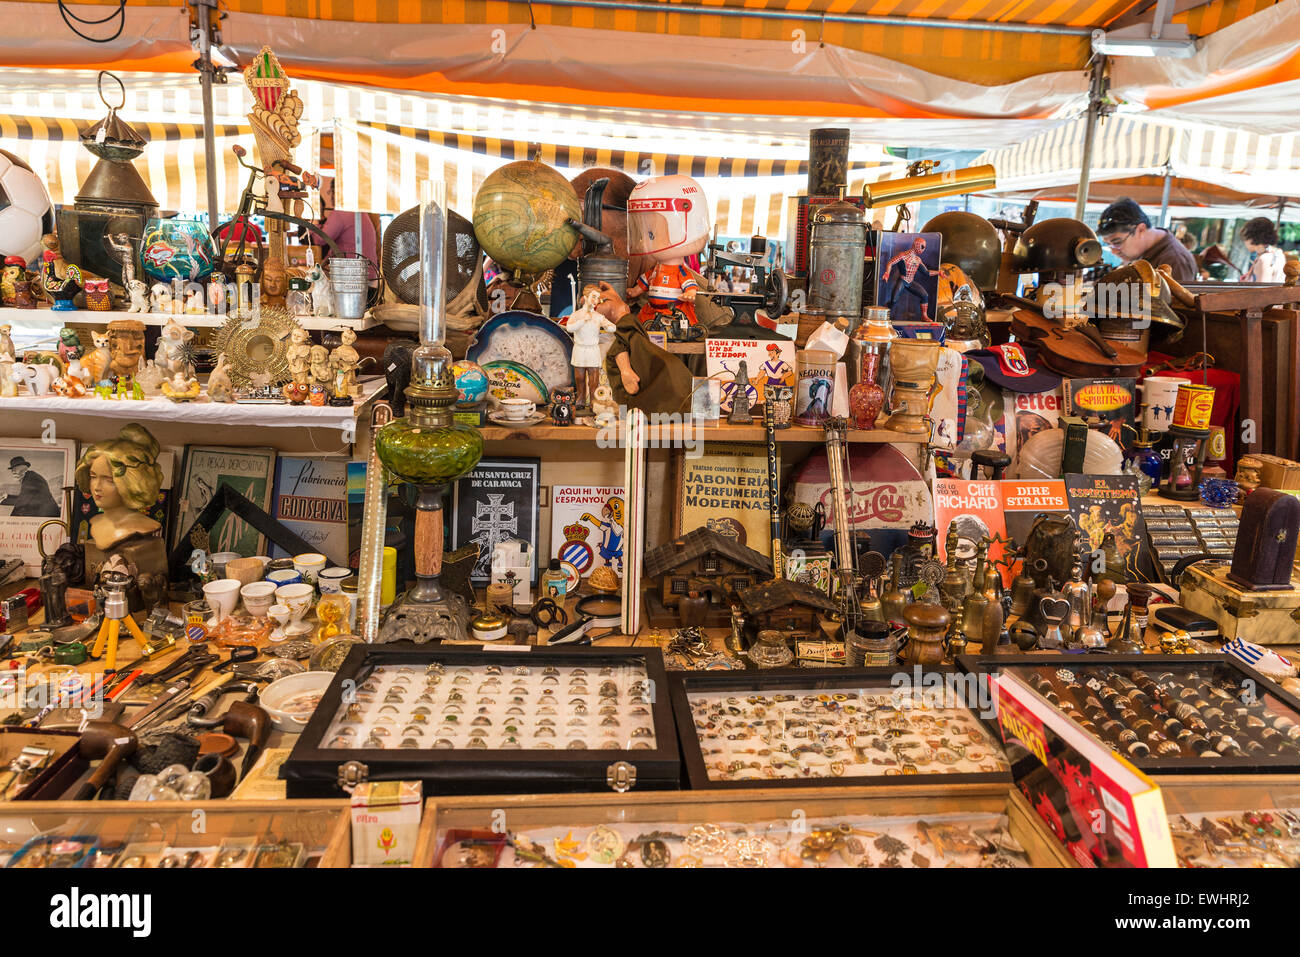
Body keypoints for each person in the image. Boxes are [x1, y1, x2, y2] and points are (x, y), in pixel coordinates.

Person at [1095, 198, 1197, 283]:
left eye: (1117, 242)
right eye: (1108, 244)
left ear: (1140, 229)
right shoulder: (1140, 253)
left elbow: (1174, 306)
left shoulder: (1175, 261)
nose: (1114, 251)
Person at [317, 175, 379, 284]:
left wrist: (313, 222)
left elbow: (320, 239)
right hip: (370, 277)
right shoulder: (360, 211)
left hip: (353, 280)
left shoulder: (341, 212)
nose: (331, 196)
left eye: (331, 192)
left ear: (337, 192)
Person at [1241, 217, 1287, 283]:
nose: (1245, 242)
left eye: (1245, 238)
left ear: (1253, 237)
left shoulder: (1265, 258)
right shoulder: (1277, 253)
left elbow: (1262, 290)